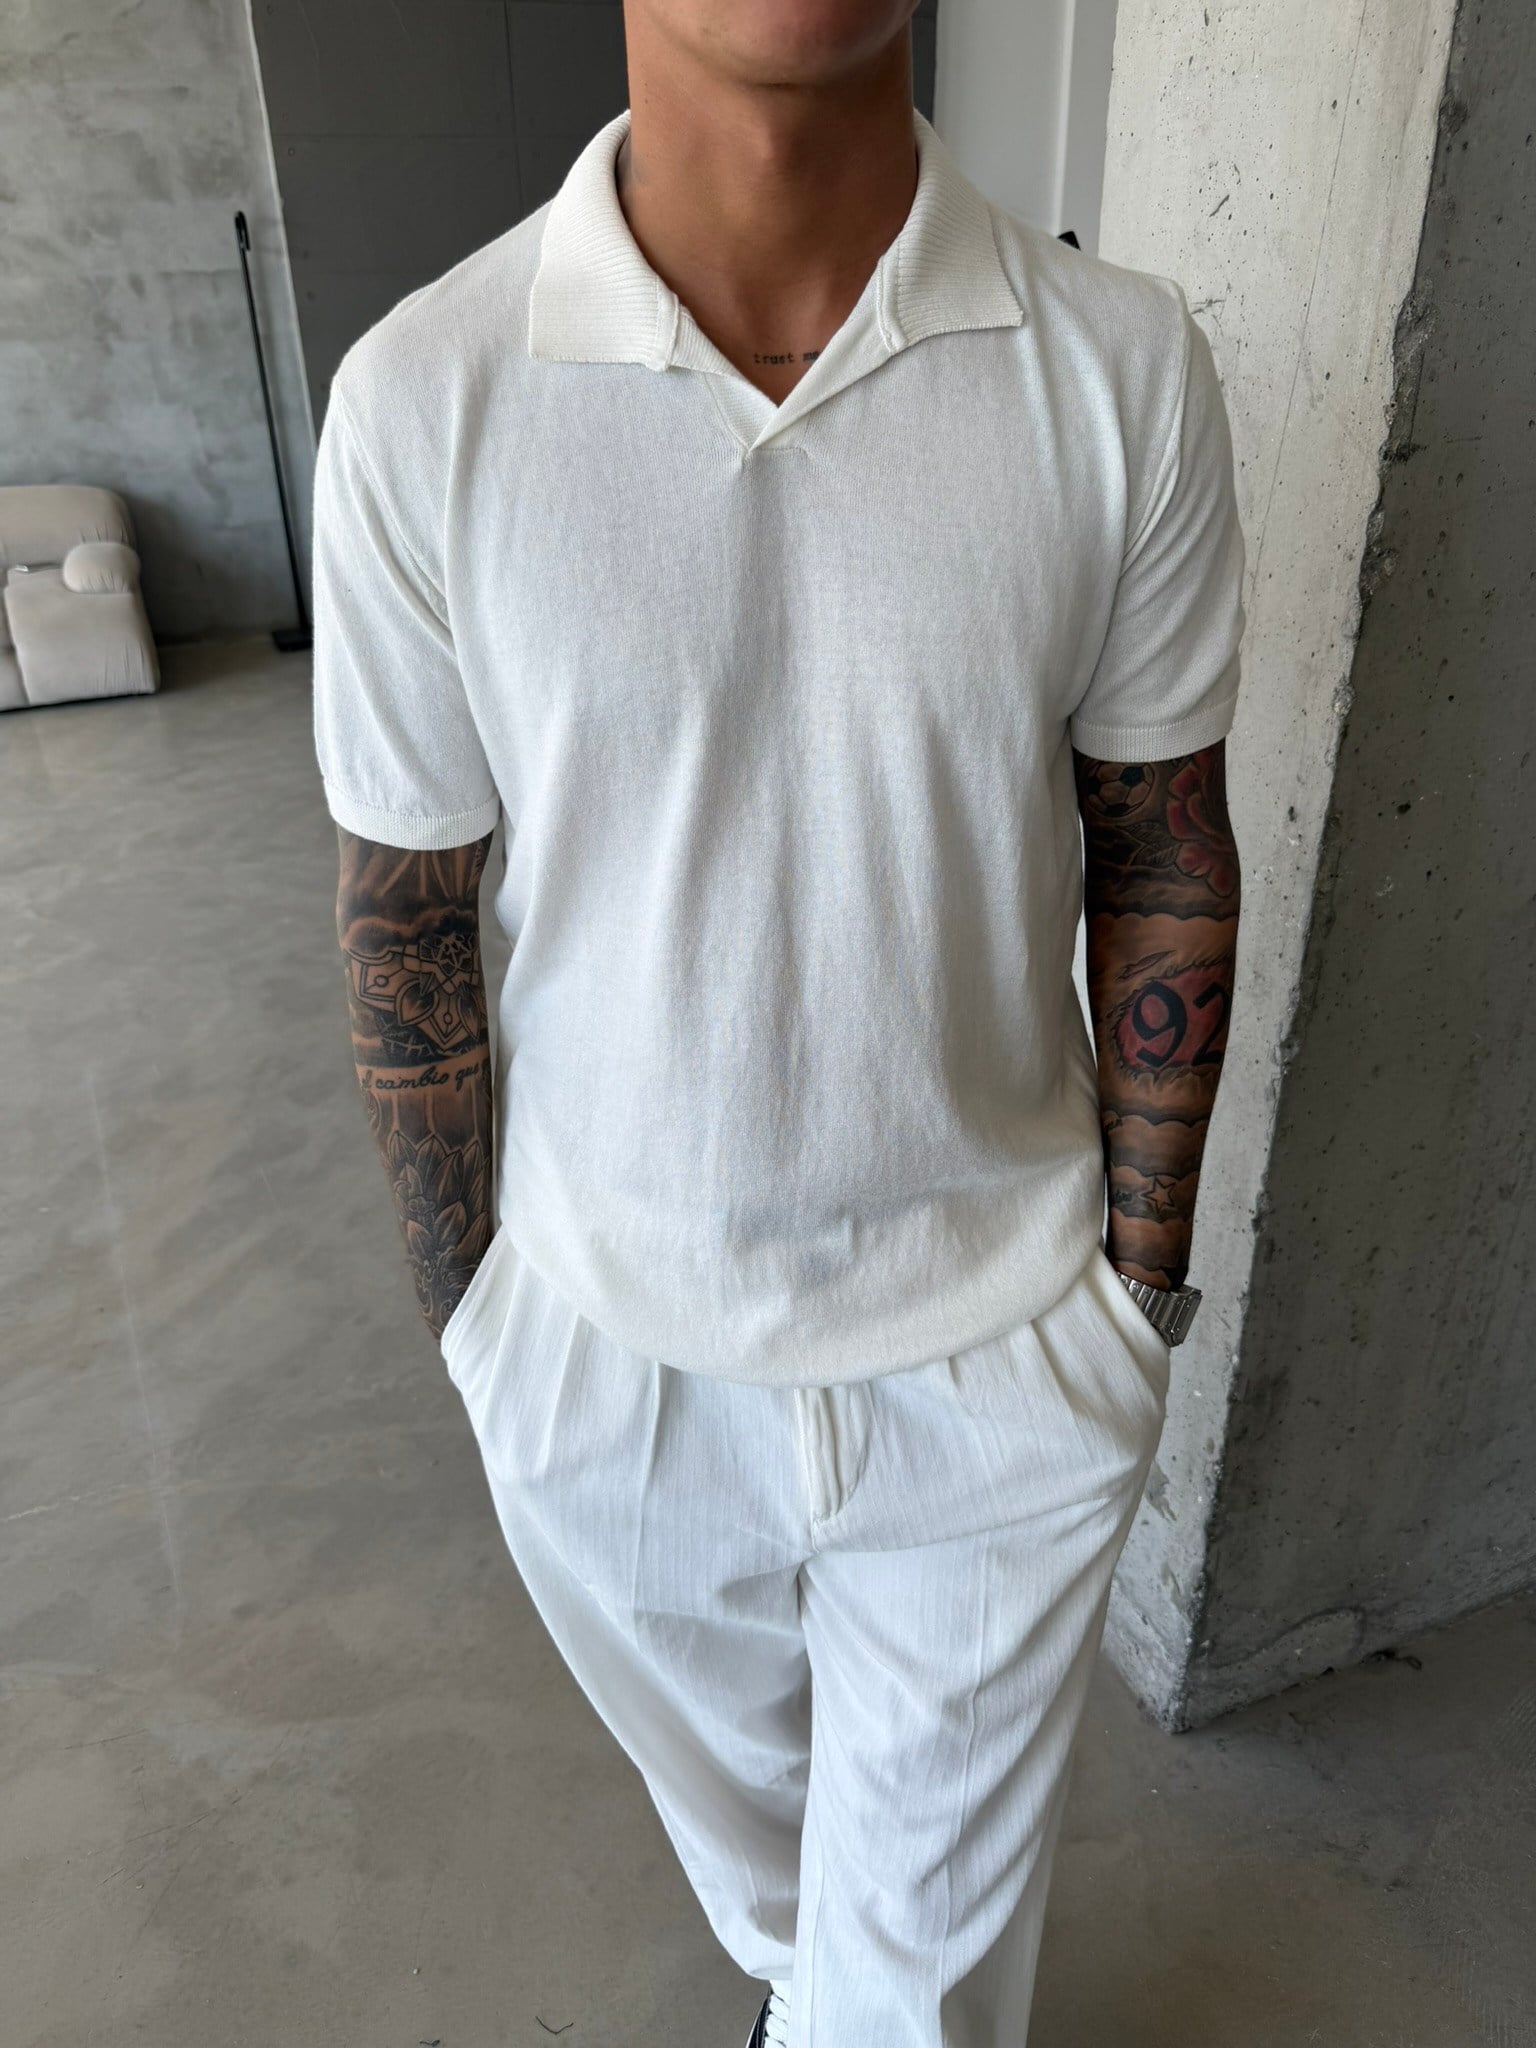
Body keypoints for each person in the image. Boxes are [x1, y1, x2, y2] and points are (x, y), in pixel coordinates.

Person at [311, 2, 1246, 2040]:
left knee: (909, 2005)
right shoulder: (424, 397)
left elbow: (1162, 835)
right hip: (600, 1360)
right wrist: (484, 1328)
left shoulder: (1122, 367)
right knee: (775, 1895)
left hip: (1003, 1352)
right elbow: (408, 909)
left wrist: (1132, 1301)